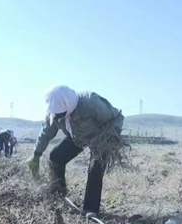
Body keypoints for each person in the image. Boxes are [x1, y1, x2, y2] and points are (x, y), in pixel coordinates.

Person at [26, 85, 125, 216]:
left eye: (61, 114)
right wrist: (36, 154)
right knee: (56, 157)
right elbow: (46, 132)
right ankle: (59, 195)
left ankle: (90, 210)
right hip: (77, 136)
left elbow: (117, 116)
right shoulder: (54, 112)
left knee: (95, 167)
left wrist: (111, 137)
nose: (58, 118)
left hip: (100, 137)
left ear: (68, 104)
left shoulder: (91, 102)